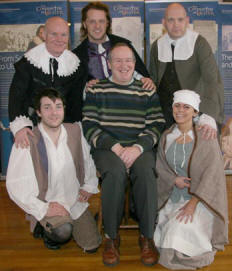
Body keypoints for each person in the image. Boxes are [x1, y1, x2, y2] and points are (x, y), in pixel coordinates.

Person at [82, 42, 165, 267]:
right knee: (115, 172)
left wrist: (138, 147)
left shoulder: (146, 89)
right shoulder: (96, 89)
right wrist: (116, 147)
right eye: (117, 60)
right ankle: (111, 237)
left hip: (139, 146)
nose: (123, 65)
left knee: (146, 171)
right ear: (108, 64)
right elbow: (89, 125)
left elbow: (157, 124)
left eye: (128, 60)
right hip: (108, 148)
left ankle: (147, 237)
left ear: (134, 63)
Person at [6, 88, 101, 252]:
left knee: (92, 245)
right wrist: (43, 208)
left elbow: (87, 161)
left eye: (58, 106)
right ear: (39, 112)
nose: (54, 112)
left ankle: (65, 221)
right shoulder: (28, 139)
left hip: (74, 200)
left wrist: (88, 185)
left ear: (64, 109)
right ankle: (45, 226)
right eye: (47, 107)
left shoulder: (75, 131)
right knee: (62, 232)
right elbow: (15, 184)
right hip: (48, 201)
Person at [154, 90, 228, 269]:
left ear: (195, 112)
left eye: (186, 107)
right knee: (164, 240)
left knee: (178, 231)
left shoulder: (205, 136)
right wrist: (173, 180)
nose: (180, 110)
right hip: (172, 197)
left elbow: (212, 174)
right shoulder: (167, 137)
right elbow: (160, 168)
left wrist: (193, 203)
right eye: (177, 106)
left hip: (201, 201)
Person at [8, 16, 86, 148]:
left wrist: (73, 130)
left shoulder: (76, 66)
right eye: (53, 34)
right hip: (32, 126)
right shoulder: (28, 63)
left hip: (64, 127)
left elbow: (76, 103)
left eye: (63, 35)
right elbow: (16, 98)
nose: (59, 39)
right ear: (43, 34)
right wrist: (21, 127)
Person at [149, 3, 224, 132]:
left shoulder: (199, 43)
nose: (176, 24)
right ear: (164, 22)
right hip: (164, 114)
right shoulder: (157, 45)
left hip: (193, 112)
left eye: (180, 20)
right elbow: (153, 79)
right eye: (171, 20)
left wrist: (209, 116)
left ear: (187, 21)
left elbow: (212, 82)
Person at [73, 1, 154, 90]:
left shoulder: (125, 45)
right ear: (84, 24)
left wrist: (145, 80)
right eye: (92, 21)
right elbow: (75, 93)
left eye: (101, 21)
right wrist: (86, 87)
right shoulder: (76, 56)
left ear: (107, 23)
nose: (97, 26)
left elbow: (139, 74)